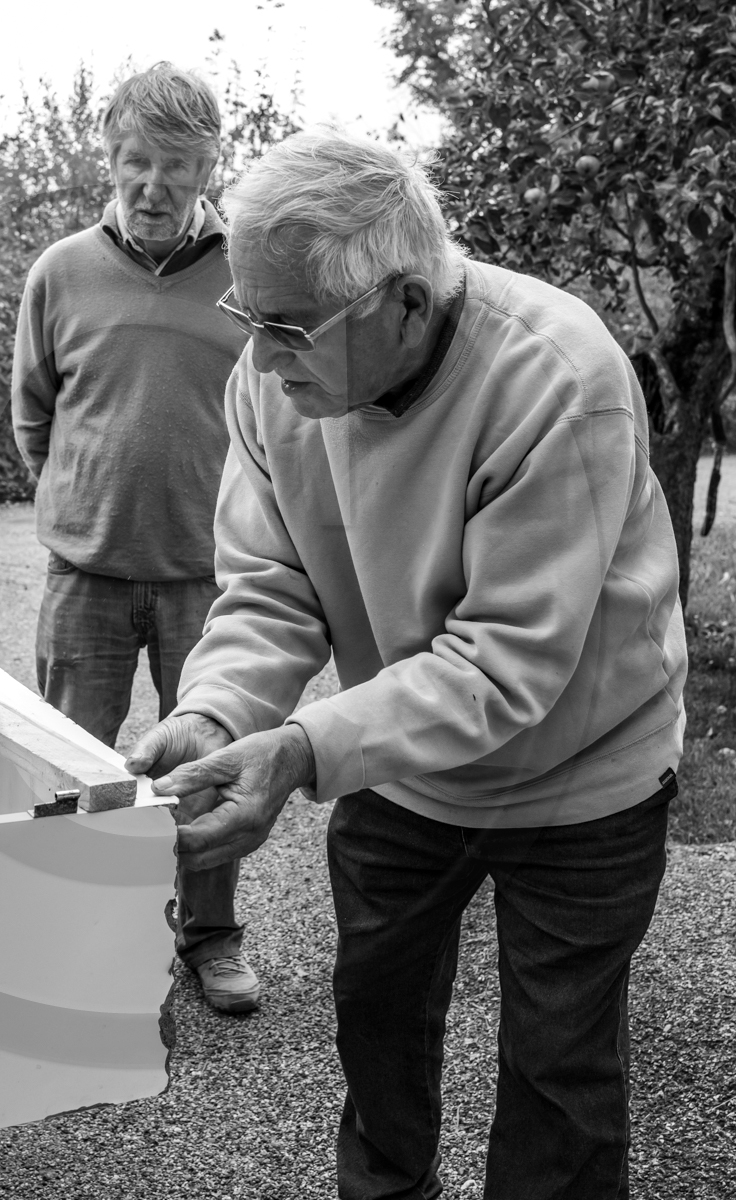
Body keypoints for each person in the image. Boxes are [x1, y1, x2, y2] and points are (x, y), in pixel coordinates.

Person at [127, 128, 686, 1198]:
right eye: (246, 316)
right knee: (375, 1018)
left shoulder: (561, 379)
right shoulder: (274, 379)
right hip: (396, 760)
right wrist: (218, 710)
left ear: (407, 304)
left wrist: (301, 751)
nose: (259, 351)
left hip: (583, 779)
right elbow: (271, 582)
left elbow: (503, 665)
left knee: (559, 1071)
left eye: (286, 325)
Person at [11, 63, 256, 1014]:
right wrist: (83, 505)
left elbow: (283, 420)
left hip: (214, 579)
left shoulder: (248, 274)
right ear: (109, 159)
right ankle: (76, 936)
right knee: (72, 764)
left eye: (177, 165)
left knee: (209, 764)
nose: (153, 185)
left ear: (209, 165)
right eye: (135, 162)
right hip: (87, 578)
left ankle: (211, 938)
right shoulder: (60, 271)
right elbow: (36, 415)